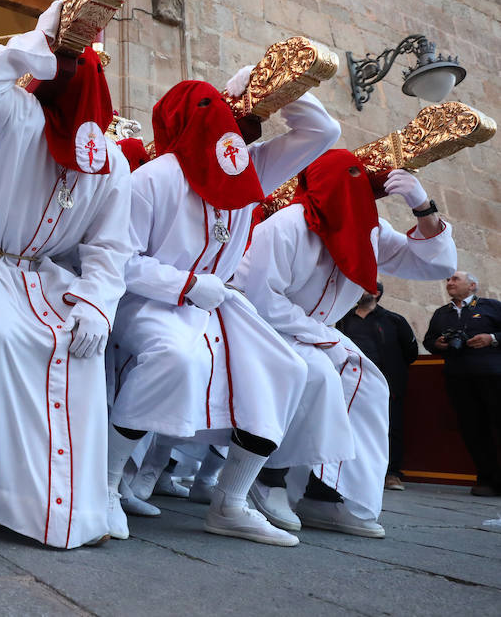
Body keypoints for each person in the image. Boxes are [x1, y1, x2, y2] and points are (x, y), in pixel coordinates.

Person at [0, 1, 133, 549]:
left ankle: (75, 499)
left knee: (79, 352)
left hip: (45, 279)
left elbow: (111, 246)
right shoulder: (19, 116)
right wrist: (45, 41)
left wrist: (96, 304)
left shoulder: (110, 161)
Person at [106, 73, 341, 547]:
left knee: (285, 366)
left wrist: (261, 86)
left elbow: (323, 133)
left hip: (215, 306)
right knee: (175, 358)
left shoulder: (245, 169)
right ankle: (104, 484)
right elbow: (119, 259)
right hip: (153, 304)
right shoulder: (156, 177)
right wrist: (186, 284)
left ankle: (230, 502)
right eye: (212, 110)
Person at [235, 151, 457, 538]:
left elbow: (433, 266)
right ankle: (268, 476)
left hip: (314, 332)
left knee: (369, 387)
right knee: (314, 374)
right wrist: (324, 338)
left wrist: (424, 208)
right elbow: (262, 299)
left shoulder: (367, 230)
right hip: (264, 327)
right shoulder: (288, 226)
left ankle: (327, 495)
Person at [424, 271, 501, 496]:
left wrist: (492, 339)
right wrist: (438, 344)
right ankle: (487, 480)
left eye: (455, 279)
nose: (449, 283)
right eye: (448, 280)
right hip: (459, 379)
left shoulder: (491, 306)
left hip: (492, 376)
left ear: (472, 285)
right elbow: (429, 341)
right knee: (473, 430)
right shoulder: (441, 314)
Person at [337, 283, 419, 491]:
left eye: (364, 287)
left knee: (391, 428)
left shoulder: (394, 320)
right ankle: (349, 473)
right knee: (348, 426)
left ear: (376, 293)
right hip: (349, 382)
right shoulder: (343, 318)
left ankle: (391, 474)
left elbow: (410, 352)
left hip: (386, 384)